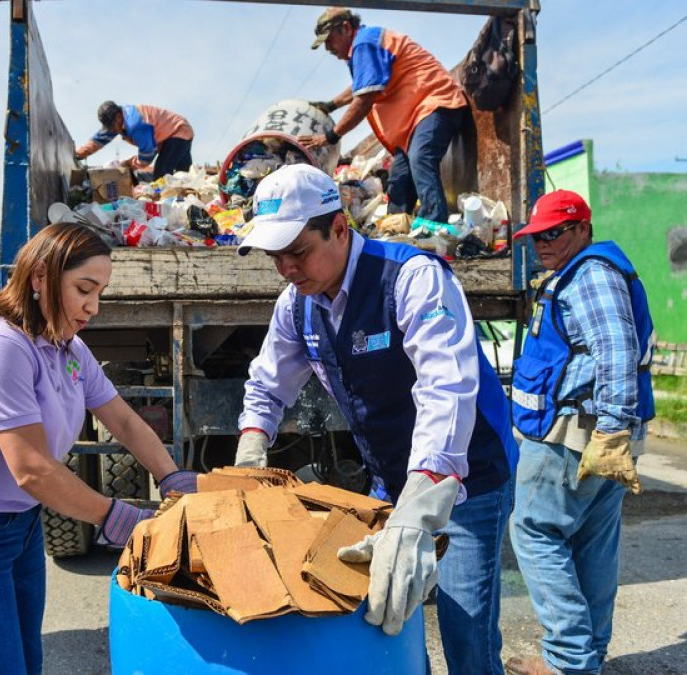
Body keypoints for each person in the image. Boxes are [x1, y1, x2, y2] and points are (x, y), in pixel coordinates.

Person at [233, 164, 518, 674]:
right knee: (388, 618)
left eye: (297, 252)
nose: (287, 269)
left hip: (464, 479)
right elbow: (268, 383)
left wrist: (424, 501)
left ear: (339, 228)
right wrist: (252, 444)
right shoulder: (297, 305)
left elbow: (445, 387)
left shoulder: (412, 279)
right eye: (276, 257)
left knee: (466, 636)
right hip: (389, 478)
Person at [0, 223, 198, 674]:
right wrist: (119, 518)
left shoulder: (66, 346)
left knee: (24, 661)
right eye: (84, 289)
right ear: (40, 276)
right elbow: (33, 469)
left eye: (99, 292)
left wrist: (171, 476)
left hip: (19, 524)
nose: (93, 307)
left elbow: (120, 417)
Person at [506, 190, 655, 675]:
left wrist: (610, 432)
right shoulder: (584, 272)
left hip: (577, 432)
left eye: (555, 233)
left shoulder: (590, 274)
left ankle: (568, 660)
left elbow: (616, 348)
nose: (543, 243)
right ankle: (587, 656)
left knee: (534, 531)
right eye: (536, 236)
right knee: (592, 542)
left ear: (582, 230)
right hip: (598, 431)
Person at [299, 7, 468, 224]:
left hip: (436, 104)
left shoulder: (365, 43)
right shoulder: (366, 45)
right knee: (399, 179)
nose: (328, 48)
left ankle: (434, 229)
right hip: (415, 120)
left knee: (421, 158)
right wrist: (331, 105)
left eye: (329, 40)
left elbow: (365, 98)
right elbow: (361, 85)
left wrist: (331, 136)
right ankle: (396, 229)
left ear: (346, 28)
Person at [75, 101, 194, 180]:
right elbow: (100, 138)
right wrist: (80, 153)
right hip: (174, 132)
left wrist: (129, 164)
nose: (112, 130)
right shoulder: (119, 120)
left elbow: (146, 156)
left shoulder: (136, 125)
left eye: (112, 126)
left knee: (162, 173)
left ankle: (168, 207)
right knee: (184, 176)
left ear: (118, 117)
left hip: (177, 132)